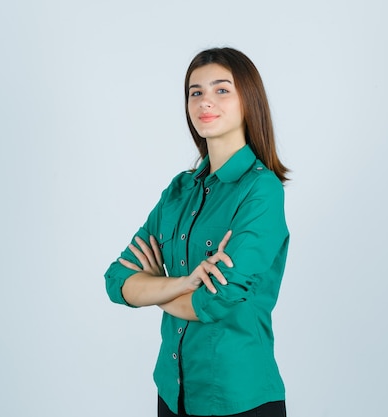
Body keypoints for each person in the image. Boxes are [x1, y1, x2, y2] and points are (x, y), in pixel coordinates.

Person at [105, 47, 290, 417]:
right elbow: (117, 280)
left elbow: (215, 301)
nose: (206, 101)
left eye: (222, 90)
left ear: (247, 101)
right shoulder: (179, 191)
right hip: (174, 394)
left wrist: (154, 290)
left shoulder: (261, 192)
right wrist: (184, 283)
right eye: (196, 92)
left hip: (238, 398)